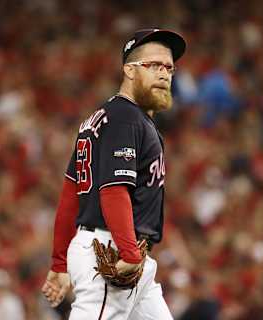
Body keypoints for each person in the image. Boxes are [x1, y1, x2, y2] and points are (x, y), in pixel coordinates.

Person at [41, 28, 186, 319]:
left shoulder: (107, 118)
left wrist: (60, 264)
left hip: (126, 253)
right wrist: (130, 253)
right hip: (112, 251)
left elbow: (72, 195)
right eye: (153, 65)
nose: (164, 74)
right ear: (129, 70)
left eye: (168, 67)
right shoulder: (126, 119)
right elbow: (113, 189)